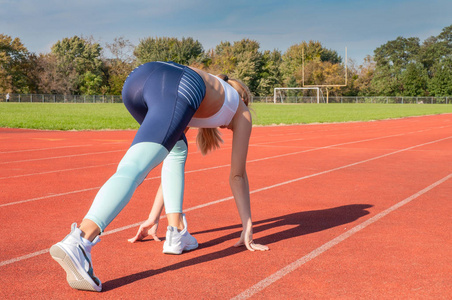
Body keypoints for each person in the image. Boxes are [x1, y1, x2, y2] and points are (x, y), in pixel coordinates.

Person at [50, 61, 268, 292]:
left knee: (176, 149)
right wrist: (248, 225)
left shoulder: (203, 98)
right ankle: (80, 240)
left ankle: (176, 231)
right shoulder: (240, 109)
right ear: (244, 98)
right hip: (179, 83)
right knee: (134, 167)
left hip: (137, 81)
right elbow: (238, 176)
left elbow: (169, 162)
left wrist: (153, 218)